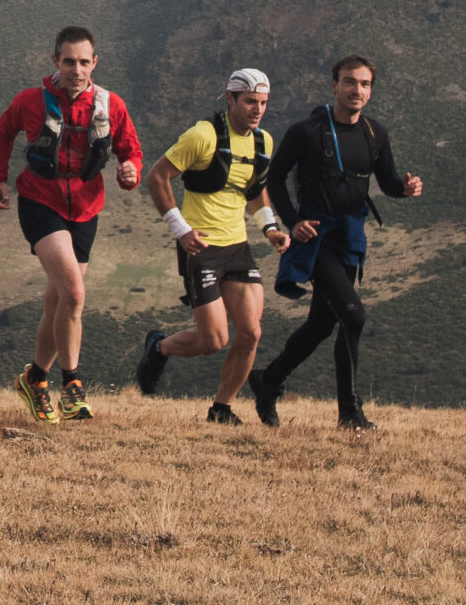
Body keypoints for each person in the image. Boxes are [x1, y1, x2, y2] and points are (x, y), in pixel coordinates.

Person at [249, 55, 423, 432]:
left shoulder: (376, 134)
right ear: (334, 86)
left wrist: (406, 189)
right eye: (349, 82)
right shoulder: (306, 132)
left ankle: (268, 379)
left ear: (370, 90)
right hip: (317, 239)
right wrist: (293, 224)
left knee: (320, 326)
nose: (356, 90)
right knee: (354, 315)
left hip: (350, 238)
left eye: (364, 84)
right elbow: (273, 180)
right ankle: (349, 412)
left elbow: (388, 182)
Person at [0, 26, 141, 423]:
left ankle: (35, 379)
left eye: (84, 62)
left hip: (86, 209)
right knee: (73, 292)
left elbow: (131, 151)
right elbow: (3, 133)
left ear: (95, 63)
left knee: (58, 300)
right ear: (55, 61)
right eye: (68, 61)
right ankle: (72, 385)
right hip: (40, 201)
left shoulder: (110, 105)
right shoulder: (30, 101)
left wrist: (130, 171)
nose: (76, 69)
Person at [136, 68, 290, 423]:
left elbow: (253, 191)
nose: (257, 109)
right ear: (230, 99)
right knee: (214, 341)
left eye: (263, 103)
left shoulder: (262, 141)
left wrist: (270, 229)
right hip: (200, 248)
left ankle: (222, 408)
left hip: (237, 247)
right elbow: (157, 177)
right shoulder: (202, 135)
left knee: (251, 332)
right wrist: (181, 229)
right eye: (250, 101)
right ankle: (159, 348)